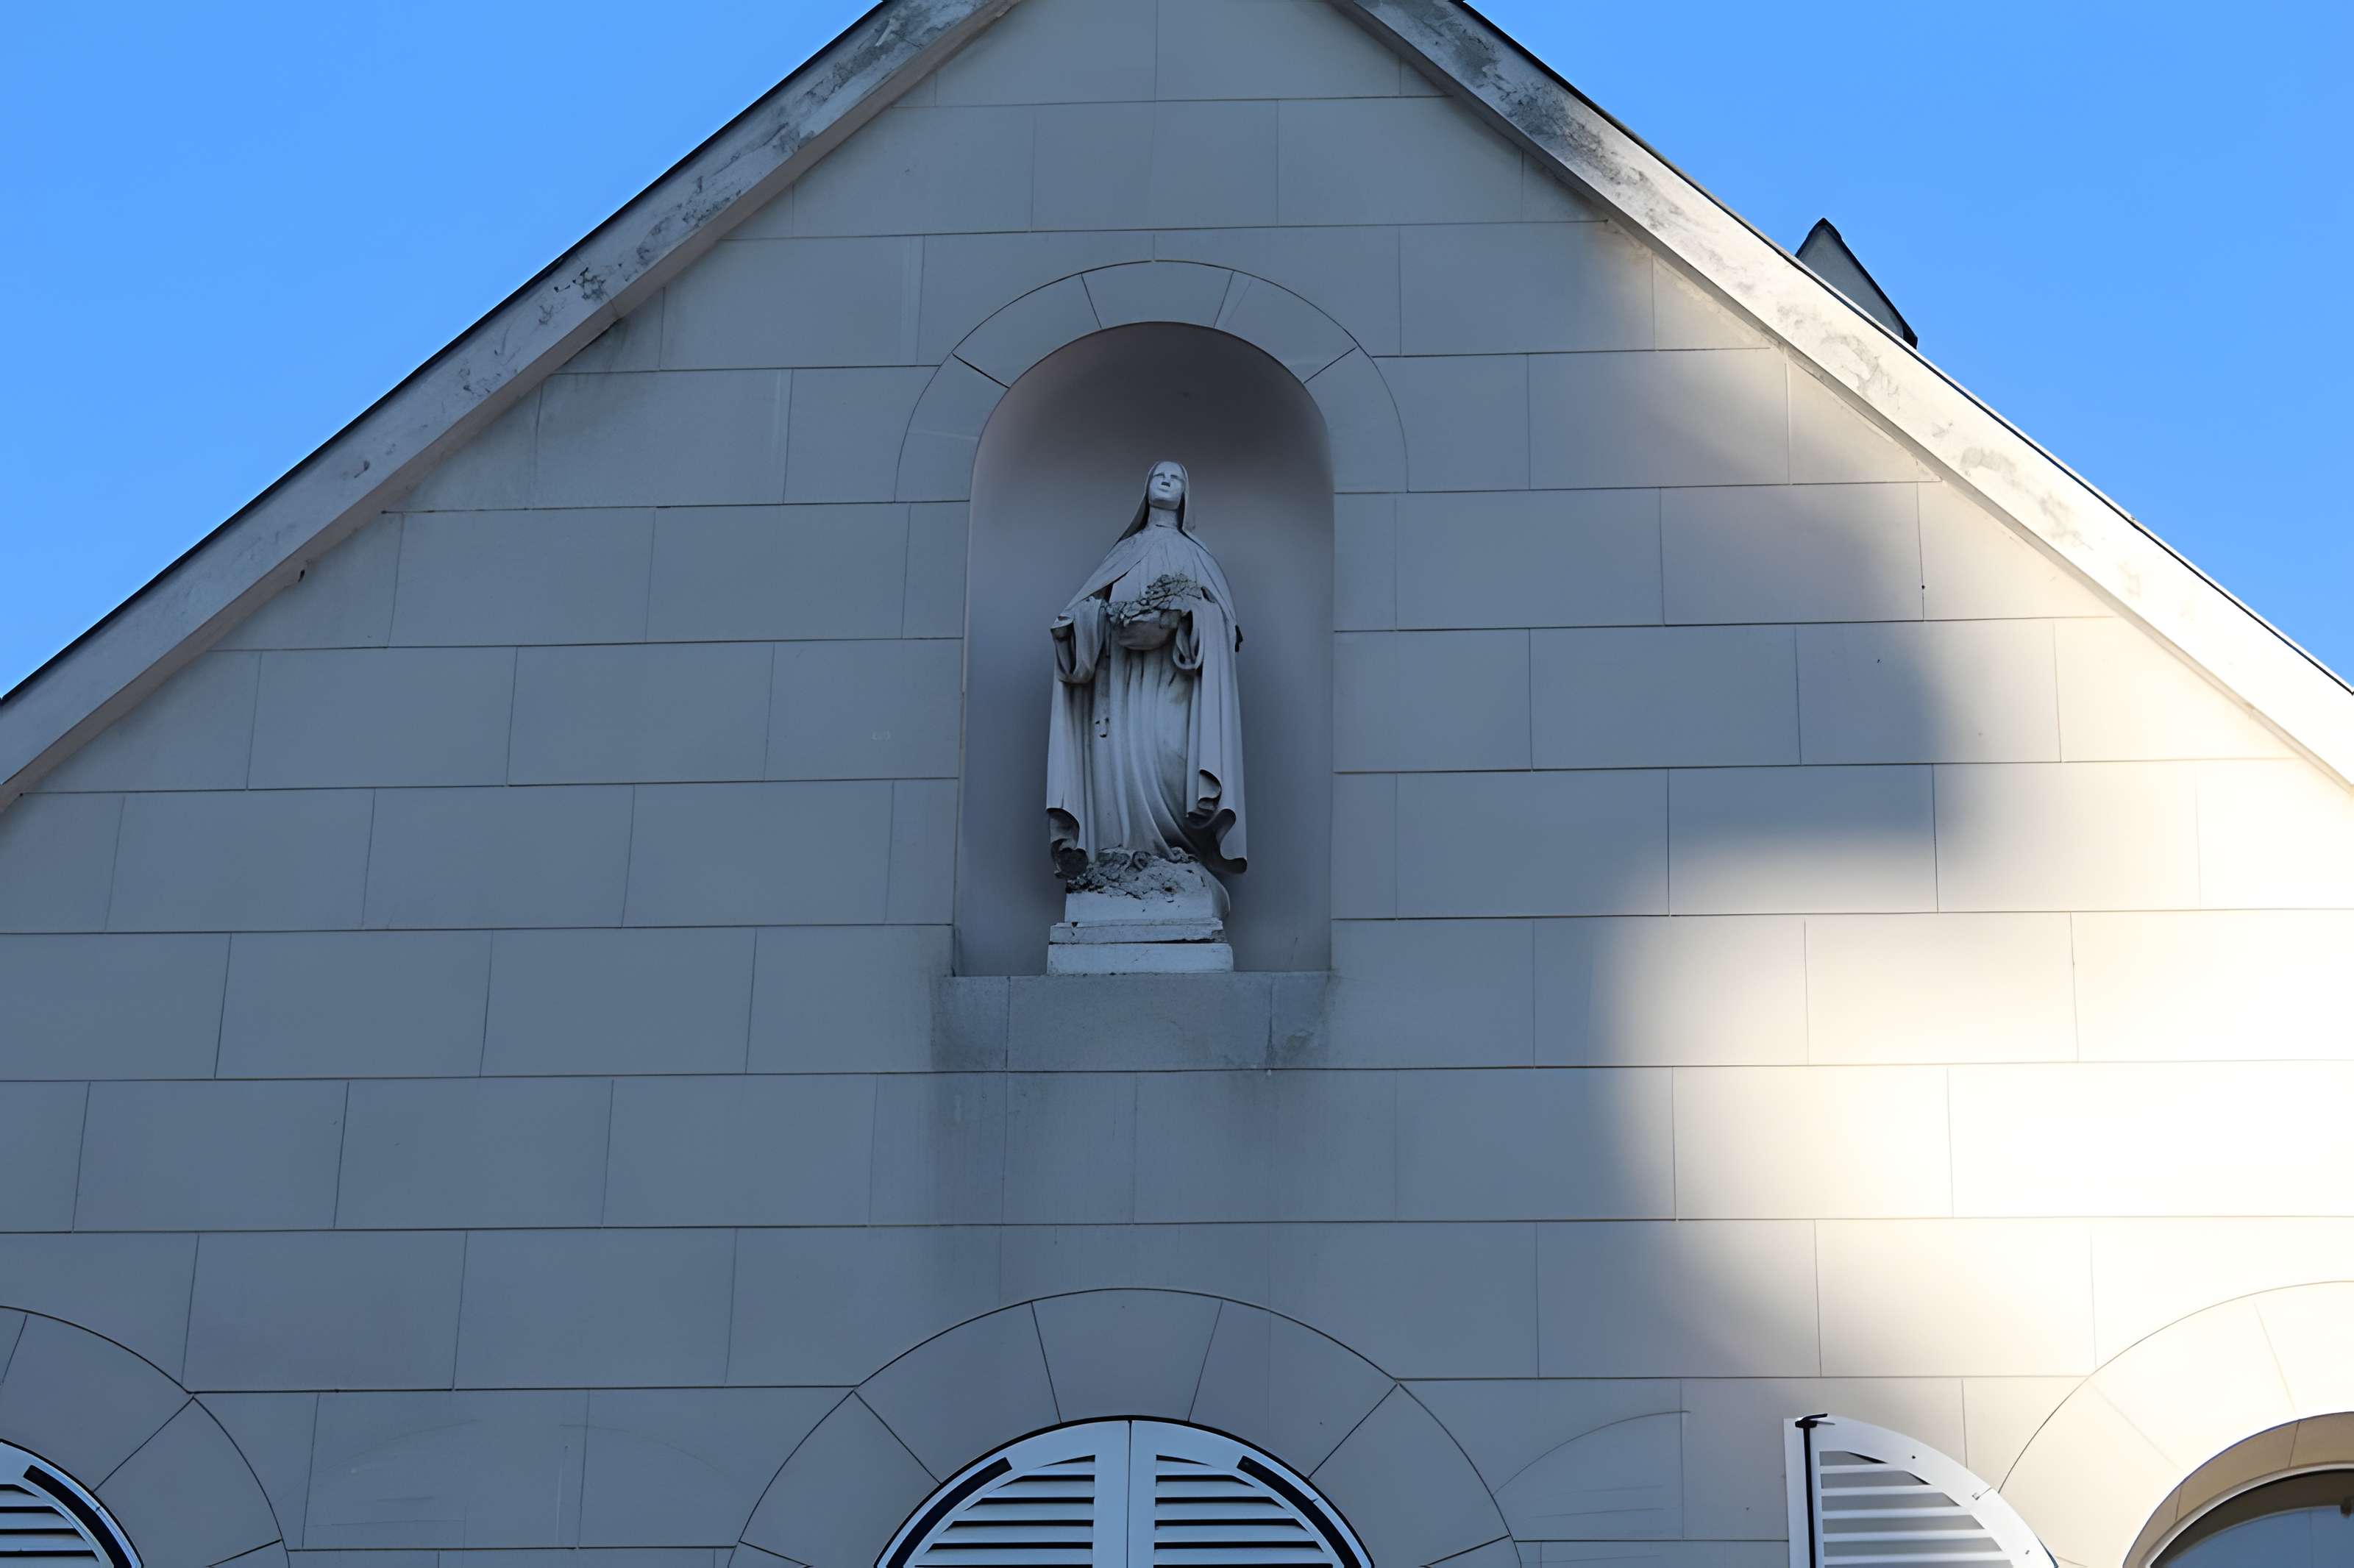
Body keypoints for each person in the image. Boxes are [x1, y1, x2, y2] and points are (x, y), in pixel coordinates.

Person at [1047, 460, 1249, 887]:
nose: (1167, 481)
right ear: (1147, 488)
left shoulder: (1197, 555)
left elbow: (1224, 627)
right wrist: (1083, 622)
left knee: (1169, 753)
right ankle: (1122, 853)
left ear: (1185, 494)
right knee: (1119, 765)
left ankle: (1178, 856)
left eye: (1175, 478)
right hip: (1119, 685)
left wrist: (1189, 616)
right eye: (1160, 476)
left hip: (1175, 684)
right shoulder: (1123, 552)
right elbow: (1089, 609)